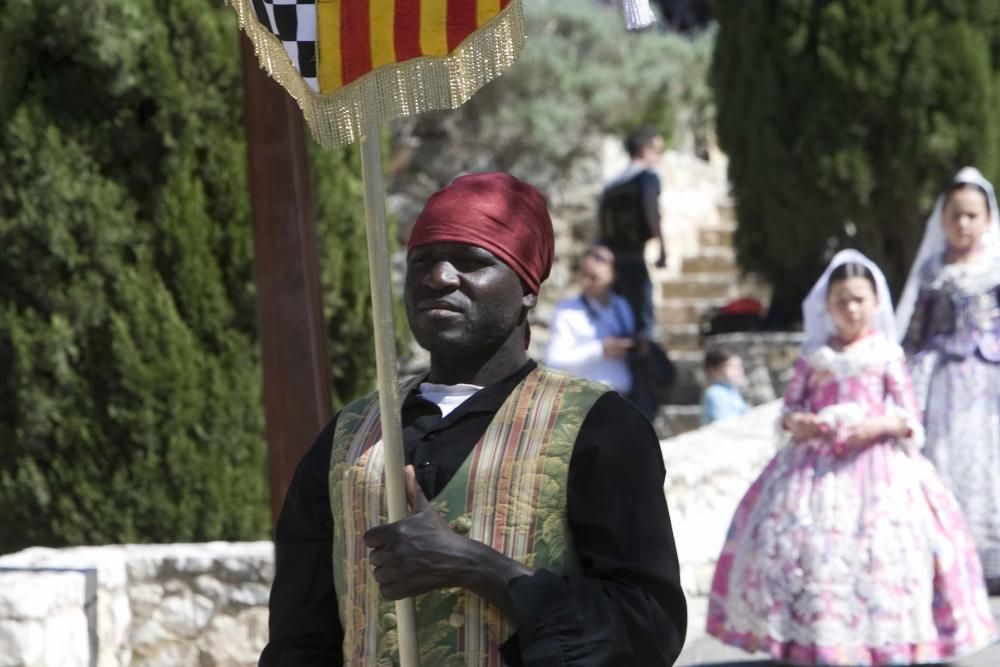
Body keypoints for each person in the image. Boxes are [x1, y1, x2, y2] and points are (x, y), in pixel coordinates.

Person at [259, 172, 687, 666]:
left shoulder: (597, 427)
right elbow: (299, 636)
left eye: (471, 261)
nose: (437, 278)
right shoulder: (348, 435)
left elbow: (649, 629)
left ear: (528, 289)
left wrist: (475, 565)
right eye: (421, 261)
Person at [707, 249, 997, 666]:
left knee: (884, 552)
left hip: (879, 470)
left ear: (876, 303)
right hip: (814, 471)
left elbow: (908, 415)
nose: (851, 309)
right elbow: (789, 409)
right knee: (808, 549)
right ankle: (815, 640)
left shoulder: (886, 355)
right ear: (827, 306)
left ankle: (886, 640)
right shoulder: (815, 358)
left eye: (860, 299)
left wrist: (877, 426)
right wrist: (801, 423)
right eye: (842, 300)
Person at [897, 166, 1000, 592]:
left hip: (990, 382)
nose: (963, 224)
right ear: (942, 219)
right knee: (945, 459)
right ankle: (951, 555)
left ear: (987, 219)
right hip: (941, 387)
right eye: (955, 215)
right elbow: (915, 333)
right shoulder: (932, 272)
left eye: (972, 216)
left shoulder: (995, 270)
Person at [597, 126, 667, 338]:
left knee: (621, 321)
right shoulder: (647, 177)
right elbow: (651, 211)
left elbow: (601, 221)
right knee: (643, 322)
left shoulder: (612, 185)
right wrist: (663, 247)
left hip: (613, 262)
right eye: (657, 151)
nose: (658, 157)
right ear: (645, 151)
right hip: (635, 259)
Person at [545, 245, 635, 395]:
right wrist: (600, 350)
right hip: (586, 400)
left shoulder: (622, 305)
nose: (586, 283)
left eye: (594, 277)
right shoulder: (566, 311)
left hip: (624, 397)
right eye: (583, 276)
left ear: (611, 275)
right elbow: (553, 361)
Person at [699, 348, 748, 426]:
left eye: (739, 367)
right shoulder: (715, 393)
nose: (738, 371)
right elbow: (726, 424)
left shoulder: (732, 391)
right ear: (714, 370)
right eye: (731, 367)